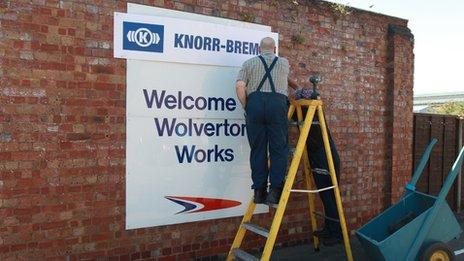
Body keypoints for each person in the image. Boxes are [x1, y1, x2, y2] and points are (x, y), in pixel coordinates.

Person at [235, 37, 299, 204]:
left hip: (254, 106)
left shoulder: (248, 63)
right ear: (275, 49)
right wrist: (300, 89)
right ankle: (275, 191)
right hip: (277, 105)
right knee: (278, 149)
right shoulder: (284, 63)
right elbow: (285, 80)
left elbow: (240, 87)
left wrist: (246, 106)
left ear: (259, 49)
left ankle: (259, 191)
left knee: (258, 149)